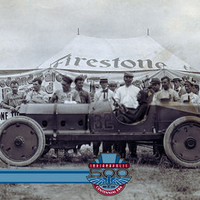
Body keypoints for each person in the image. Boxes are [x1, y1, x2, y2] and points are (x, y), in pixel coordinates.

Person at [113, 72, 140, 159]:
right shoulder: (119, 89)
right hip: (122, 112)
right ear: (124, 78)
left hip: (133, 113)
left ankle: (133, 154)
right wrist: (117, 104)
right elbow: (116, 99)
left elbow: (140, 101)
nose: (128, 79)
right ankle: (121, 154)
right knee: (121, 133)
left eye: (130, 77)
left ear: (132, 79)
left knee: (133, 133)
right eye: (126, 77)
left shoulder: (137, 89)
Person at [93, 77, 114, 157]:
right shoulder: (97, 93)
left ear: (107, 84)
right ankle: (95, 153)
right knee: (97, 136)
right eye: (102, 83)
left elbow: (113, 104)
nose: (104, 85)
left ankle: (105, 152)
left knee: (107, 135)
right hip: (99, 116)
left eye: (105, 83)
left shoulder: (112, 93)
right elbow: (95, 104)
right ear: (100, 84)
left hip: (108, 116)